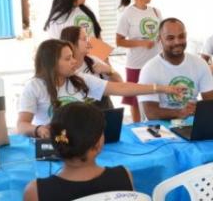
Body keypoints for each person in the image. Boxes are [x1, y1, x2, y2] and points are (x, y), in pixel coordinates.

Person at [17, 39, 184, 138]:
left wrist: (163, 88)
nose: (74, 62)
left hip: (82, 142)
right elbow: (22, 125)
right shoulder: (34, 87)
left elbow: (122, 88)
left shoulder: (79, 79)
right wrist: (39, 130)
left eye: (73, 57)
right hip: (56, 146)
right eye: (68, 59)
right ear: (52, 63)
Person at [138, 18, 213, 120]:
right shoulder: (149, 69)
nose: (177, 42)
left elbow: (212, 103)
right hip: (162, 127)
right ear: (159, 39)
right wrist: (179, 113)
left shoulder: (200, 64)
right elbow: (151, 113)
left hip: (193, 122)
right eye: (170, 38)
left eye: (181, 36)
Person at [116, 0, 162, 122]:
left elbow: (162, 32)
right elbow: (119, 41)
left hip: (156, 61)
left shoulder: (155, 11)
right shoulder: (128, 13)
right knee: (135, 100)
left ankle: (157, 124)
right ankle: (137, 126)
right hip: (136, 64)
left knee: (157, 94)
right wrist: (141, 43)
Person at [60, 26, 122, 110]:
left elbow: (120, 84)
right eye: (84, 39)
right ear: (72, 44)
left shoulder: (93, 61)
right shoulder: (63, 70)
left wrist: (109, 70)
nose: (89, 42)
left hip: (104, 113)